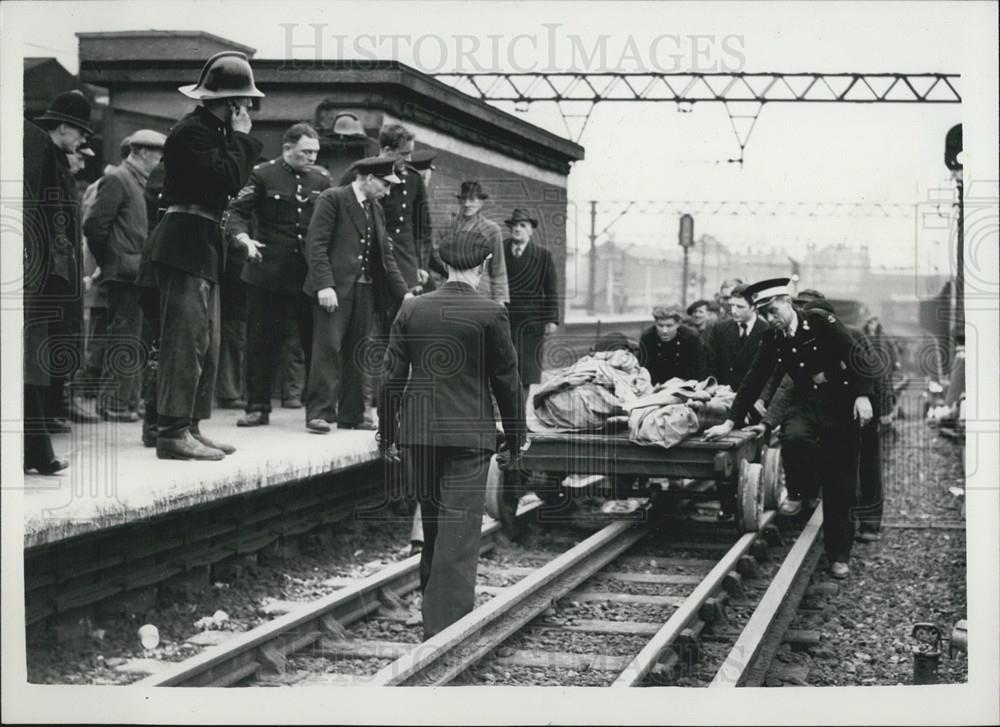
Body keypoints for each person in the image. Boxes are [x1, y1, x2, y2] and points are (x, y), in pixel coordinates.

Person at [381, 234, 525, 639]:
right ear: (482, 266)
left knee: (433, 527)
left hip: (419, 436)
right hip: (469, 438)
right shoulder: (490, 312)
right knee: (458, 536)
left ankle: (433, 610)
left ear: (443, 267)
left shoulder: (412, 308)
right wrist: (516, 439)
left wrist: (386, 433)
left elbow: (391, 378)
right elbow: (507, 382)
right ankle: (444, 632)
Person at [137, 51, 264, 460]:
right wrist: (243, 138)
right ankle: (172, 432)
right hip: (184, 241)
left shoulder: (211, 132)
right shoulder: (192, 132)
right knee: (184, 340)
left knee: (205, 343)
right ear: (227, 103)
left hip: (201, 241)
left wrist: (237, 139)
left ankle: (189, 425)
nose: (246, 110)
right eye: (242, 103)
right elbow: (228, 180)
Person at [704, 278, 875, 579]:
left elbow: (854, 354)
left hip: (841, 405)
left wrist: (862, 396)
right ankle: (798, 491)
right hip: (806, 404)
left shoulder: (820, 321)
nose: (771, 319)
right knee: (793, 437)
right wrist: (730, 421)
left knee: (841, 487)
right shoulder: (774, 338)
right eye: (765, 314)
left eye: (773, 311)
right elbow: (754, 379)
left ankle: (839, 555)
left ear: (787, 302)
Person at [758, 292, 890, 543]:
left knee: (869, 464)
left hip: (865, 402)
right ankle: (811, 502)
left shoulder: (849, 333)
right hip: (836, 407)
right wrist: (768, 421)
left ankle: (870, 522)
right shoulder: (796, 341)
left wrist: (883, 410)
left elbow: (875, 372)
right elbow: (788, 385)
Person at [228, 123, 331, 427]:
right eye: (305, 152)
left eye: (315, 152)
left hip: (307, 275)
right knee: (262, 342)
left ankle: (318, 412)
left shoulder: (322, 179)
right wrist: (243, 240)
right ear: (287, 148)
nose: (311, 157)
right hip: (267, 273)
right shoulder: (262, 174)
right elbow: (237, 213)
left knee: (315, 343)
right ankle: (258, 407)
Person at [302, 156, 410, 433]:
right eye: (385, 184)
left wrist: (404, 295)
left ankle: (352, 413)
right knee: (327, 348)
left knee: (358, 351)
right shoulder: (333, 198)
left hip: (365, 289)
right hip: (334, 289)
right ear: (368, 178)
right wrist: (324, 285)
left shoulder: (375, 208)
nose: (387, 191)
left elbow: (386, 256)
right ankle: (320, 413)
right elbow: (317, 245)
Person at [22, 90, 94, 473]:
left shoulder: (49, 155)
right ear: (63, 127)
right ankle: (37, 452)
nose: (83, 140)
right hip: (41, 276)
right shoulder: (42, 153)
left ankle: (36, 450)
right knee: (30, 362)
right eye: (80, 132)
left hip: (49, 274)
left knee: (34, 363)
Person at [83, 130, 166, 422]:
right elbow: (94, 225)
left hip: (131, 272)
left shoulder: (131, 181)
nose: (159, 160)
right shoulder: (119, 179)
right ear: (141, 152)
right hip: (124, 272)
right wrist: (109, 262)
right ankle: (114, 403)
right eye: (157, 153)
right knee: (124, 336)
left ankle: (126, 401)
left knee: (130, 336)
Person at [503, 208, 559, 405]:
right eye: (514, 225)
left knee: (526, 372)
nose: (517, 229)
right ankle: (501, 415)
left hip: (532, 322)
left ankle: (518, 417)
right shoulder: (500, 250)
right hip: (505, 318)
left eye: (522, 225)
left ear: (531, 230)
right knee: (503, 368)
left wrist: (552, 319)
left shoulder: (543, 256)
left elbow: (550, 289)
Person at [431, 181, 508, 305]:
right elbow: (435, 254)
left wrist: (500, 300)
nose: (467, 204)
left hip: (477, 292)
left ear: (481, 202)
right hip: (448, 289)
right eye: (463, 199)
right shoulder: (448, 225)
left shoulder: (492, 230)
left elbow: (498, 268)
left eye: (472, 199)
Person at [704, 283, 768, 393]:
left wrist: (734, 387)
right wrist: (712, 385)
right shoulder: (720, 328)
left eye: (740, 307)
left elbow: (764, 373)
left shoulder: (767, 331)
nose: (733, 311)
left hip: (750, 395)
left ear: (754, 307)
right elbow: (710, 363)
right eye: (732, 305)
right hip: (718, 393)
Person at [638, 306, 706, 385]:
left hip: (686, 385)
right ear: (655, 323)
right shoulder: (648, 337)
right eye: (660, 325)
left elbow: (700, 368)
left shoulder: (691, 337)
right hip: (657, 386)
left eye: (669, 326)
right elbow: (644, 368)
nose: (664, 331)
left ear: (678, 324)